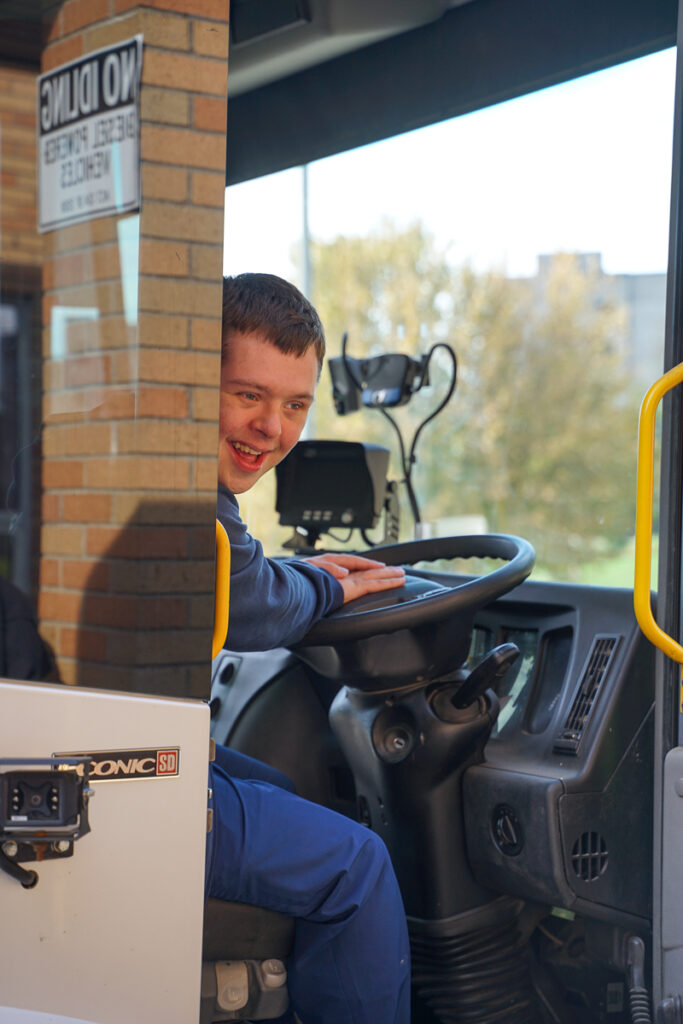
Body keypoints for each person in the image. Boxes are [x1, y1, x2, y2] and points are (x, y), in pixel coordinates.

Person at [206, 273, 411, 1023]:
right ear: (192, 382)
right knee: (357, 864)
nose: (272, 428)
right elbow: (255, 605)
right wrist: (324, 590)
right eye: (247, 395)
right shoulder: (179, 497)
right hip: (123, 788)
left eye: (294, 404)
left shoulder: (167, 479)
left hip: (119, 752)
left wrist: (298, 576)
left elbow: (248, 577)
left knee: (280, 791)